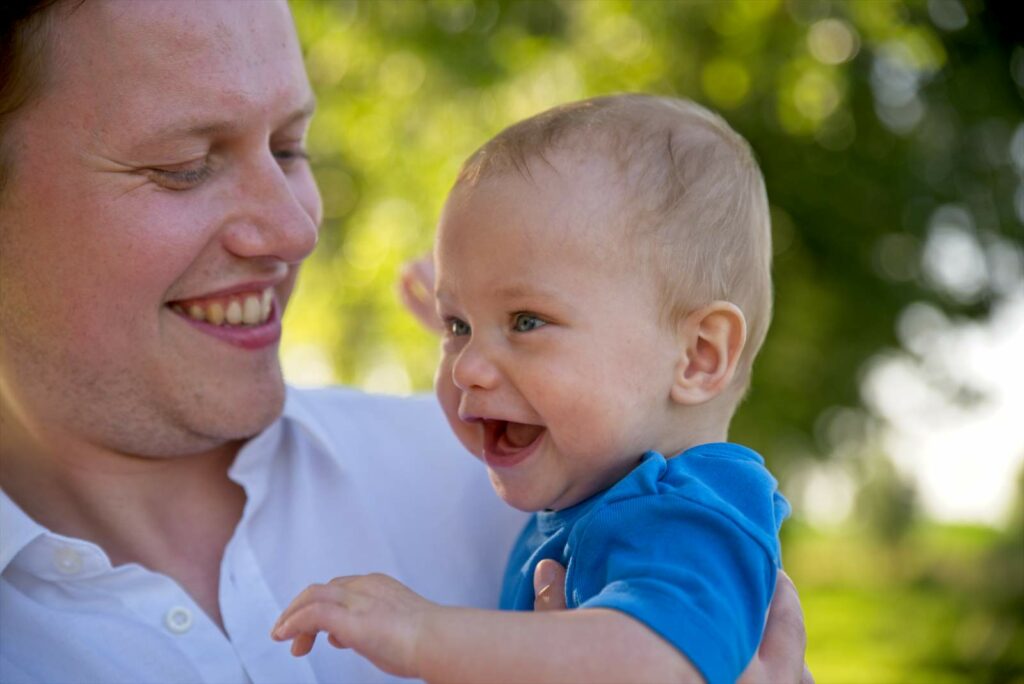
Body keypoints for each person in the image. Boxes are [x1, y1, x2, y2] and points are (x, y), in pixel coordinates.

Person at [0, 1, 808, 682]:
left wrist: (427, 635)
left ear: (701, 355)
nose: (295, 229)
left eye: (290, 149)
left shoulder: (598, 490)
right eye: (183, 166)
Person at [273, 94, 790, 684]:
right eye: (457, 327)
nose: (468, 368)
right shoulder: (602, 491)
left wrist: (422, 633)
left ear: (698, 356)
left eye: (526, 321)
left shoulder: (697, 511)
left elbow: (658, 662)